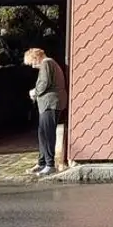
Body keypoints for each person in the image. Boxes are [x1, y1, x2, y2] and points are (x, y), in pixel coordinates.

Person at [24, 48, 65, 176]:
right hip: (49, 104)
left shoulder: (46, 63)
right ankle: (42, 163)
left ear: (36, 58)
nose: (32, 66)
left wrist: (34, 92)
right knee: (42, 133)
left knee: (47, 134)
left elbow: (44, 83)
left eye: (32, 62)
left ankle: (49, 165)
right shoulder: (51, 64)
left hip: (50, 104)